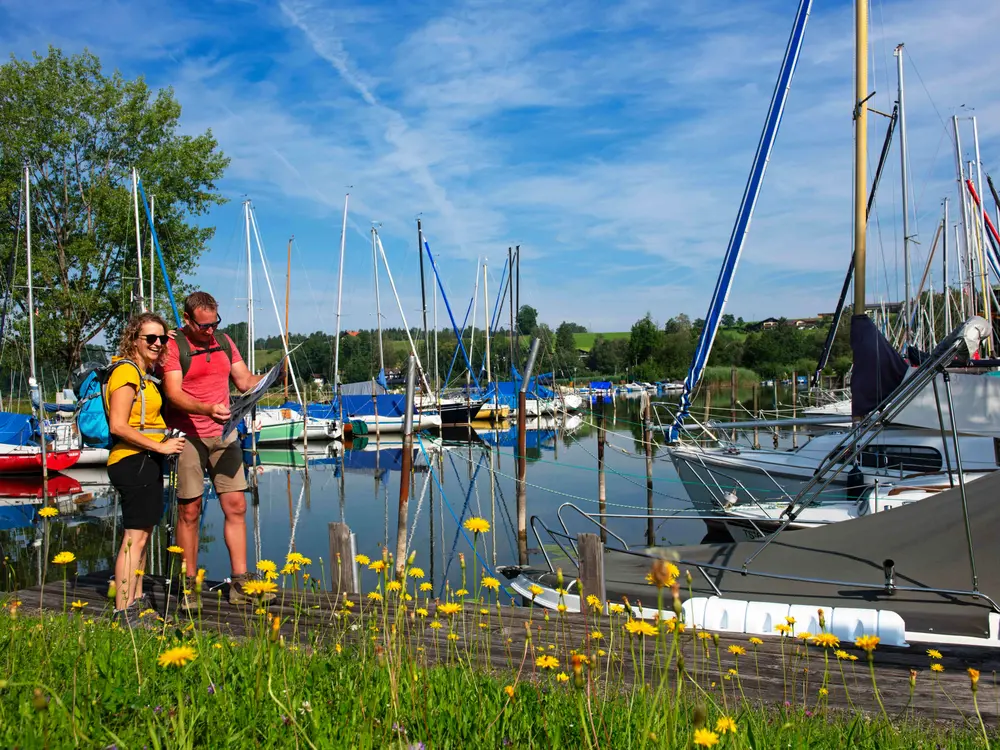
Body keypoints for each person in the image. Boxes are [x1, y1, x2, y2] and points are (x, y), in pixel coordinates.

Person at [162, 291, 275, 605]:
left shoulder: (224, 342)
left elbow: (243, 380)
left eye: (215, 324)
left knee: (236, 506)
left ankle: (239, 583)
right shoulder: (174, 347)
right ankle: (189, 585)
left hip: (224, 435)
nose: (210, 331)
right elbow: (173, 394)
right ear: (187, 320)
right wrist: (205, 408)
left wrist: (270, 375)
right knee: (189, 510)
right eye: (204, 326)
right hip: (188, 436)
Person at [107, 312, 186, 625]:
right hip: (132, 461)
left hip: (146, 461)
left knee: (142, 537)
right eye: (150, 338)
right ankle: (124, 610)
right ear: (134, 340)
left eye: (162, 338)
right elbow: (118, 425)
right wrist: (161, 447)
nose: (157, 343)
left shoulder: (144, 375)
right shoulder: (126, 374)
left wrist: (164, 439)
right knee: (134, 539)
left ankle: (135, 601)